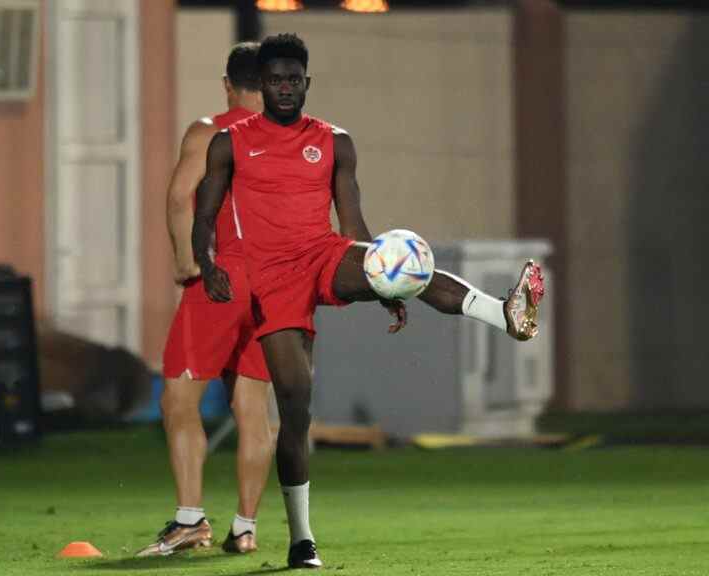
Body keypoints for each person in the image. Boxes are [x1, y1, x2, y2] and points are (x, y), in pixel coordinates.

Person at [192, 34, 545, 568]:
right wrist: (209, 263)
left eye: (294, 79)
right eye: (274, 80)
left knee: (407, 261)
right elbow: (204, 215)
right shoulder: (230, 143)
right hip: (271, 280)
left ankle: (506, 313)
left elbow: (355, 227)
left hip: (323, 254)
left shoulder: (335, 141)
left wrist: (386, 284)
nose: (285, 88)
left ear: (307, 82)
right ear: (261, 85)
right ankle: (301, 538)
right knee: (295, 406)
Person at [137, 43, 274, 558]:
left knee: (177, 400)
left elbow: (178, 198)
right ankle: (245, 527)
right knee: (254, 412)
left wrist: (184, 261)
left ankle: (190, 519)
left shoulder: (210, 130)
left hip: (221, 279)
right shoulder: (294, 136)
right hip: (274, 288)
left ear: (227, 84)